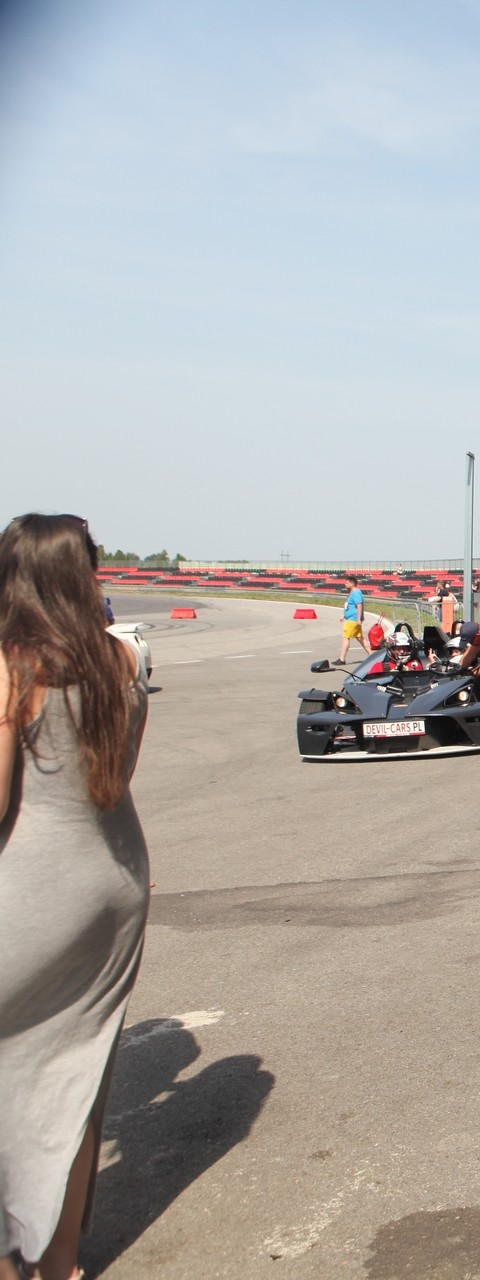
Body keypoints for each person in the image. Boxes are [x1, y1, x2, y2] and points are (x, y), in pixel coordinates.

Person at [0, 513, 150, 1280]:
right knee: (77, 1074)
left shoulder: (12, 667)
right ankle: (59, 1264)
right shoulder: (122, 659)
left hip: (33, 894)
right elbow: (117, 776)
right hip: (115, 886)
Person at [336, 573, 368, 665]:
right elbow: (350, 606)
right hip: (352, 618)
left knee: (346, 637)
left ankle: (342, 659)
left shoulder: (356, 592)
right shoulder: (351, 593)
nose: (345, 584)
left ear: (352, 584)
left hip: (353, 620)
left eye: (347, 583)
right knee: (360, 638)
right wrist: (344, 616)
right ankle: (372, 656)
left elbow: (359, 605)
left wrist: (358, 619)